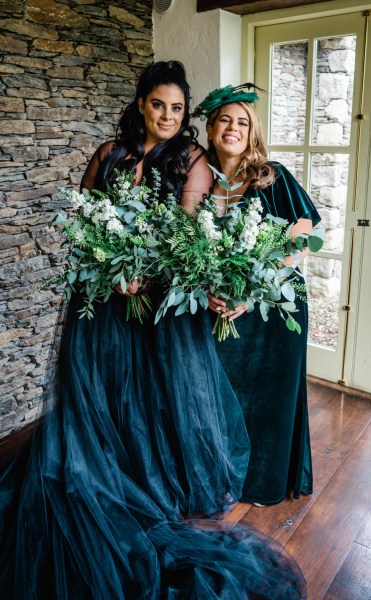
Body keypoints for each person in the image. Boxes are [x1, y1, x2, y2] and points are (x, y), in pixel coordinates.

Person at [0, 63, 306, 598]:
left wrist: (145, 274)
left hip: (160, 306)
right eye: (158, 104)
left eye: (177, 108)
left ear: (187, 115)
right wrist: (109, 267)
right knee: (98, 396)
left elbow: (188, 241)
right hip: (103, 300)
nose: (167, 116)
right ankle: (96, 473)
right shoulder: (107, 155)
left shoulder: (192, 161)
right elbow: (86, 224)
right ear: (141, 103)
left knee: (152, 399)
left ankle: (146, 481)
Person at [193, 84, 321, 506]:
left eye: (242, 122)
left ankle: (263, 481)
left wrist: (255, 287)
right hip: (221, 308)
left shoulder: (272, 175)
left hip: (273, 309)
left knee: (267, 397)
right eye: (225, 120)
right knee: (219, 391)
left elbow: (304, 235)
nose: (233, 127)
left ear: (253, 132)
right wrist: (206, 287)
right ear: (211, 128)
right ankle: (222, 475)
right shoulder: (194, 180)